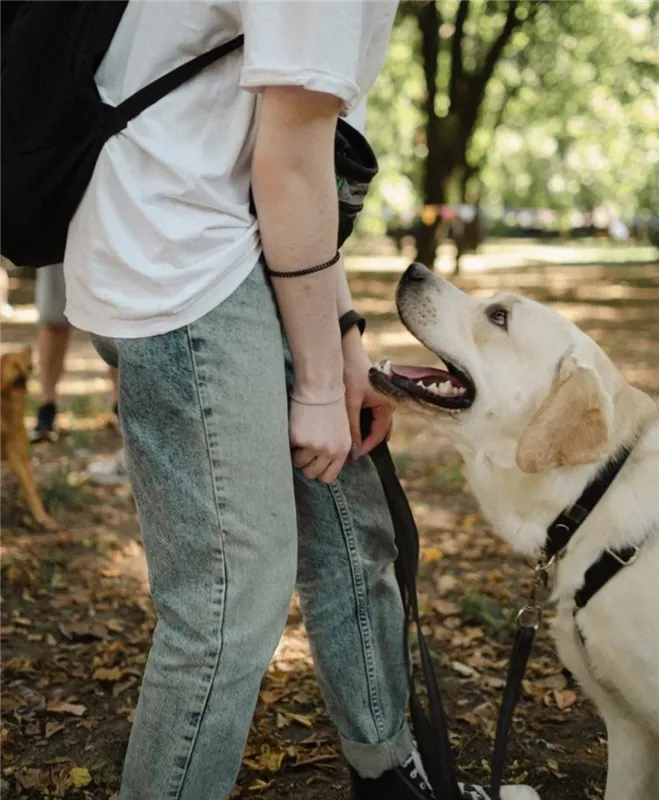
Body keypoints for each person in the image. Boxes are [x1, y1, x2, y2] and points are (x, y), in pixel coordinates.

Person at [62, 3, 540, 799]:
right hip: (181, 268)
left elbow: (298, 163)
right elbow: (284, 167)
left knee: (353, 531)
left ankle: (388, 776)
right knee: (229, 602)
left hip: (236, 246)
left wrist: (343, 340)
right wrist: (316, 384)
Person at [30, 263, 120, 444]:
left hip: (110, 239)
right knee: (52, 319)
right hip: (58, 242)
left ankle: (123, 407)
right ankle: (47, 409)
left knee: (116, 318)